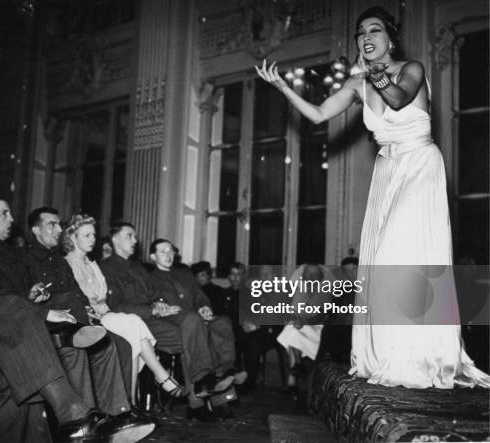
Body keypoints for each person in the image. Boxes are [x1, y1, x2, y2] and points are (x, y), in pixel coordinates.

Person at [256, 6, 490, 388]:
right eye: (360, 32)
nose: (366, 37)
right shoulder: (356, 83)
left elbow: (398, 100)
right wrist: (284, 87)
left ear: (390, 38)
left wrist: (373, 73)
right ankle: (386, 354)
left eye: (375, 30)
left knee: (405, 255)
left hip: (418, 165)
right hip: (387, 169)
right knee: (381, 263)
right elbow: (317, 114)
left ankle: (421, 357)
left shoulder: (412, 68)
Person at [0, 193, 152, 442]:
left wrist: (31, 294)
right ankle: (77, 413)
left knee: (80, 341)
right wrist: (40, 310)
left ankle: (95, 419)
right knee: (44, 321)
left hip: (9, 316)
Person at [99, 222, 235, 422]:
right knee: (194, 330)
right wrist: (153, 308)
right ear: (115, 239)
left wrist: (160, 304)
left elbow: (155, 294)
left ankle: (200, 398)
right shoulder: (106, 268)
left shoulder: (137, 267)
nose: (135, 240)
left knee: (195, 329)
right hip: (139, 323)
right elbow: (116, 305)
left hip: (156, 318)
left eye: (134, 236)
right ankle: (205, 390)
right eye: (130, 236)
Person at [63, 214, 188, 402]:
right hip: (87, 318)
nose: (93, 240)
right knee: (133, 325)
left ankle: (131, 403)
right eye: (87, 235)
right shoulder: (67, 264)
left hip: (105, 314)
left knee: (133, 334)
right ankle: (159, 378)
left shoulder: (92, 265)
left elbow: (106, 298)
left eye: (94, 235)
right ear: (73, 237)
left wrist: (158, 302)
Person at [148, 239, 247, 416]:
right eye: (163, 252)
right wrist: (158, 306)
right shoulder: (150, 279)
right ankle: (203, 392)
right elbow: (149, 301)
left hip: (194, 318)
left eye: (171, 251)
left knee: (223, 322)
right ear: (153, 256)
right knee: (194, 328)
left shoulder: (185, 274)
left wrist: (204, 307)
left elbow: (200, 296)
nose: (169, 255)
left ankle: (227, 370)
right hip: (171, 321)